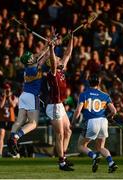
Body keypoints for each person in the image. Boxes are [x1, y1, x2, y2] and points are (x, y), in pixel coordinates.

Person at [7, 48, 49, 157]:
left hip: (23, 95)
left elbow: (39, 55)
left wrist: (49, 44)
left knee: (20, 121)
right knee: (33, 123)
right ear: (30, 60)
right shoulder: (35, 67)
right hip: (31, 96)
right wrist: (51, 47)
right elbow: (44, 57)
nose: (34, 56)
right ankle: (16, 137)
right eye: (31, 57)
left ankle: (11, 139)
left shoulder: (28, 67)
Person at [71, 74, 118, 173]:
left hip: (91, 122)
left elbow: (78, 111)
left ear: (89, 83)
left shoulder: (84, 94)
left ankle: (94, 156)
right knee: (101, 147)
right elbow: (114, 111)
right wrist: (109, 117)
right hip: (103, 121)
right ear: (98, 83)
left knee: (81, 145)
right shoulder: (105, 95)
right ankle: (111, 163)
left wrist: (73, 122)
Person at [46, 33, 74, 171]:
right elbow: (52, 60)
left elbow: (68, 53)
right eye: (57, 58)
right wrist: (51, 49)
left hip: (60, 105)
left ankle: (64, 156)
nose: (59, 58)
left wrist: (72, 38)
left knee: (68, 131)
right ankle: (61, 162)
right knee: (60, 134)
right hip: (53, 105)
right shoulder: (52, 72)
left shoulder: (61, 68)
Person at [0, 82, 17, 157]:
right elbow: (1, 106)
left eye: (8, 88)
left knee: (10, 138)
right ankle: (0, 154)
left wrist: (9, 97)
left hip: (11, 119)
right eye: (5, 88)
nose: (7, 90)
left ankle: (10, 152)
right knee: (1, 135)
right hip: (2, 119)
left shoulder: (13, 97)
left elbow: (13, 105)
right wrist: (5, 97)